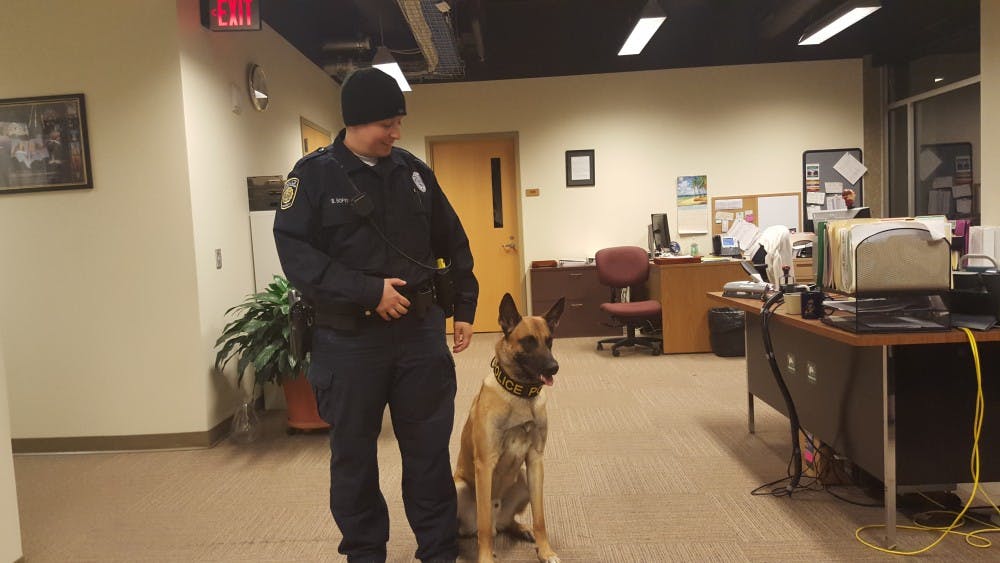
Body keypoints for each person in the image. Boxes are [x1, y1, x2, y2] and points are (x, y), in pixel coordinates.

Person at [273, 67, 478, 563]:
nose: (396, 132)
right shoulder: (313, 175)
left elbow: (453, 238)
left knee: (428, 453)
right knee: (354, 459)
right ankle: (365, 553)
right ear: (357, 121)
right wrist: (368, 291)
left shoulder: (413, 172)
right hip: (348, 341)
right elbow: (295, 252)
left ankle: (439, 550)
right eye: (388, 122)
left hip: (418, 337)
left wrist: (465, 306)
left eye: (399, 122)